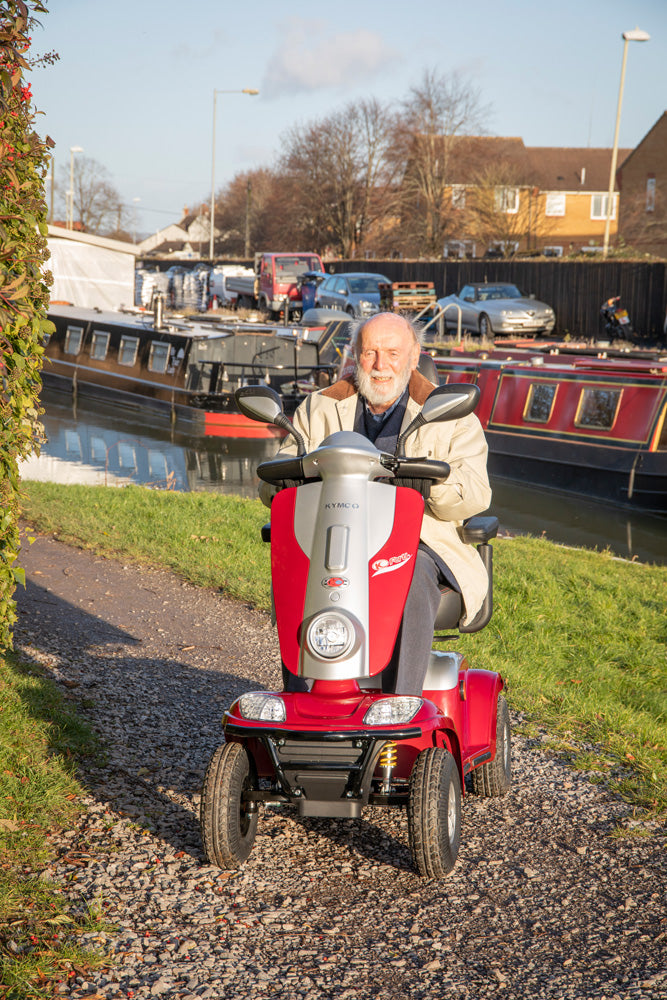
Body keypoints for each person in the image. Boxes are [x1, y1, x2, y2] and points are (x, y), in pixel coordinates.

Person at [265, 311, 492, 695]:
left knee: (407, 572)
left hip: (422, 541)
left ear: (414, 354)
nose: (381, 365)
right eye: (370, 352)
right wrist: (288, 480)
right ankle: (302, 702)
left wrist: (427, 481)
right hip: (335, 535)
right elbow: (273, 480)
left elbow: (475, 494)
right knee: (300, 573)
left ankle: (402, 702)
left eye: (393, 352)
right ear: (355, 355)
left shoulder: (452, 415)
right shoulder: (319, 407)